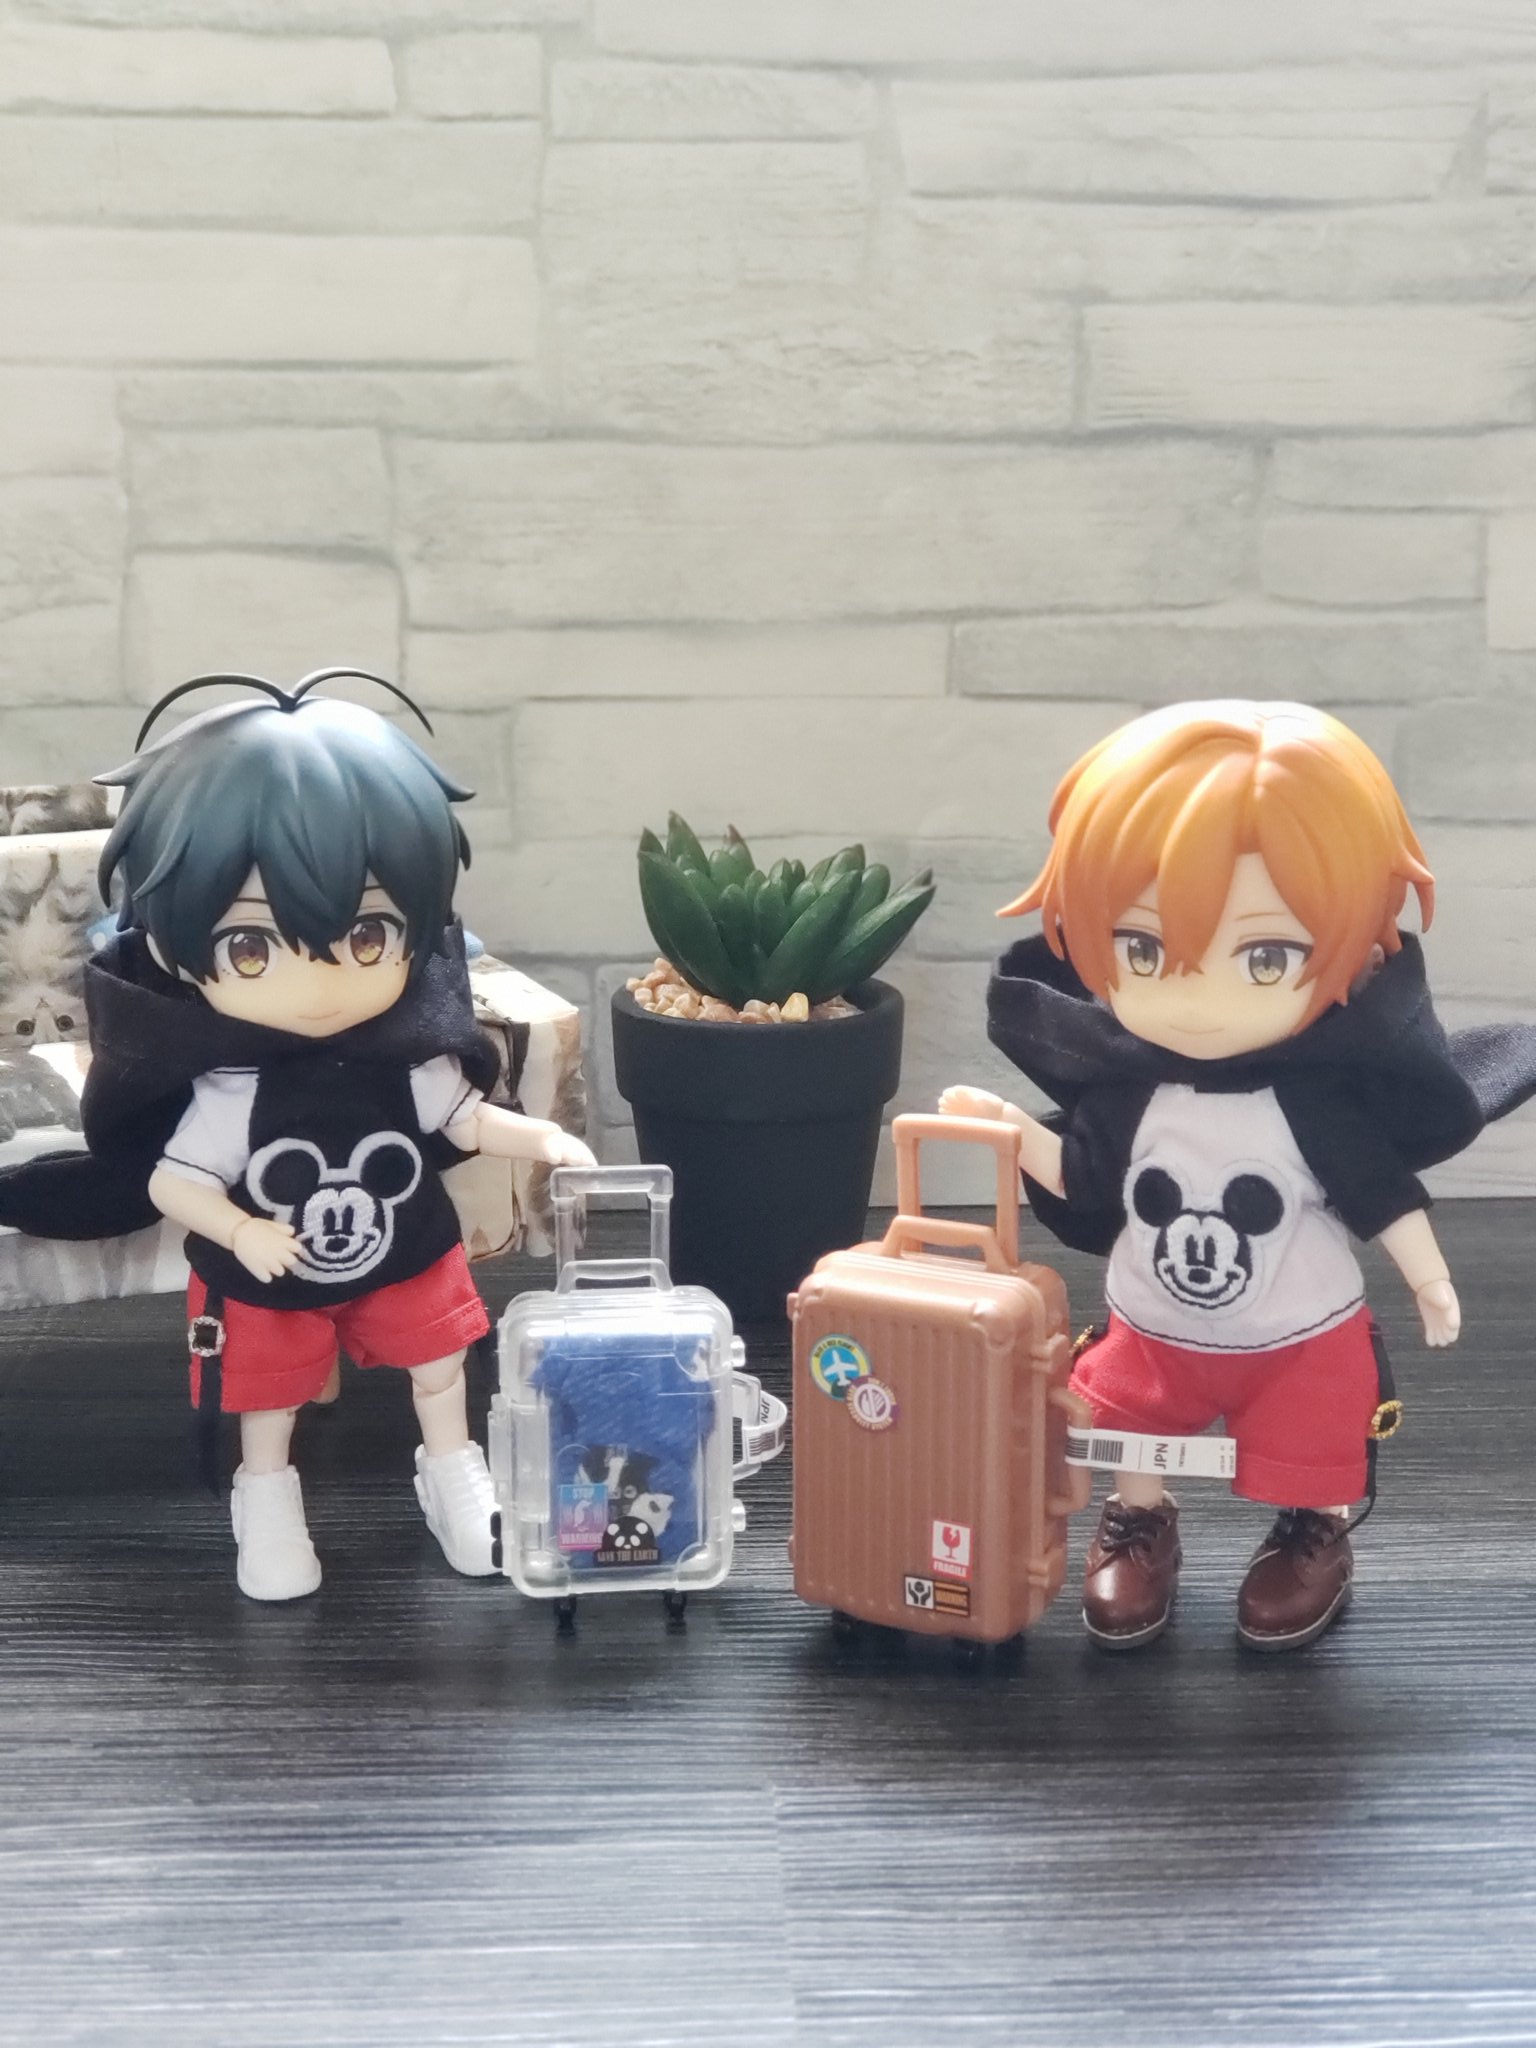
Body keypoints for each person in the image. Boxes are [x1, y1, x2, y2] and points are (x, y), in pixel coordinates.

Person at [940, 701, 1494, 1652]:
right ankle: (1139, 1517)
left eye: (1266, 955)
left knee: (1317, 1431)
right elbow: (1086, 1177)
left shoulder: (1314, 1102)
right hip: (1154, 1329)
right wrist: (1012, 1132)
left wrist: (1429, 1276)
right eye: (1144, 949)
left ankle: (1314, 1527)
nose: (1197, 995)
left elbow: (1379, 1191)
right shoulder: (1127, 1094)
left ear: (1355, 947)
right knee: (1119, 1415)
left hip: (1299, 1334)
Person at [48, 670, 592, 1601]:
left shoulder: (404, 1056)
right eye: (250, 946)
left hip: (408, 1253)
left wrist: (540, 1139)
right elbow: (172, 1183)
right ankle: (265, 1492)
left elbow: (462, 1117)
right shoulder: (229, 1087)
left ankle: (452, 1469)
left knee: (440, 1368)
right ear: (177, 950)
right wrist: (241, 1231)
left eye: (369, 935)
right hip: (271, 1273)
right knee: (270, 1397)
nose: (319, 983)